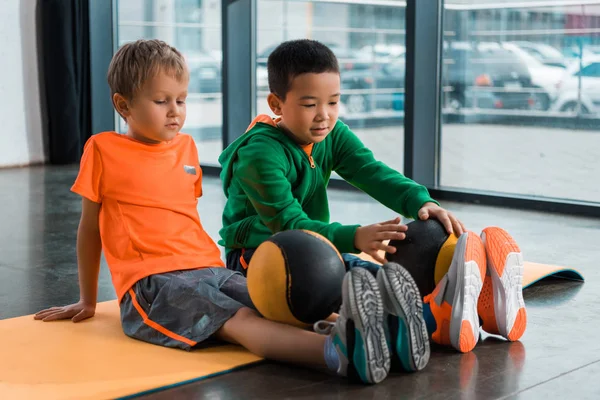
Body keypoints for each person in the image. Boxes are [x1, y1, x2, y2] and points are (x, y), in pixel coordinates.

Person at [33, 39, 404, 385]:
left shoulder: (187, 147)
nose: (175, 112)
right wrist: (87, 299)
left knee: (275, 308)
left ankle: (374, 336)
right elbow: (89, 228)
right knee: (239, 320)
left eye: (181, 100)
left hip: (210, 268)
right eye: (161, 101)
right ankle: (336, 354)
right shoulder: (102, 149)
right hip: (153, 282)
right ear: (123, 105)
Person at [218, 39, 527, 355]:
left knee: (409, 251)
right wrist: (354, 236)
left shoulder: (331, 134)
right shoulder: (259, 154)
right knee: (359, 281)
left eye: (334, 102)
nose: (324, 116)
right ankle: (435, 320)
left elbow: (372, 172)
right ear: (276, 104)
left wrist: (421, 201)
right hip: (259, 258)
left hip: (316, 249)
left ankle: (484, 310)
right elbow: (288, 224)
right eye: (310, 105)